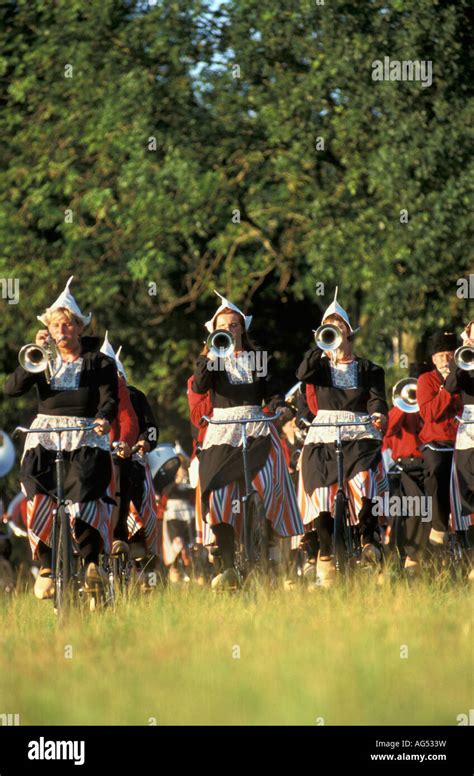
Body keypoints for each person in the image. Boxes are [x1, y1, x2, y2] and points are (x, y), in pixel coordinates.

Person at [3, 276, 117, 599]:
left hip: (84, 436)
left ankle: (92, 563)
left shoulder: (99, 362)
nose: (62, 332)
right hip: (46, 437)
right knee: (36, 491)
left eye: (67, 325)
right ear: (49, 330)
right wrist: (36, 353)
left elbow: (110, 399)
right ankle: (46, 565)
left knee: (86, 493)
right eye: (55, 326)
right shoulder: (44, 359)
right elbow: (11, 389)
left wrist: (103, 420)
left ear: (79, 327)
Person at [192, 291, 304, 590]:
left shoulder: (258, 358)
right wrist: (209, 354)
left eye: (234, 325)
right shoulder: (211, 362)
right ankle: (227, 562)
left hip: (256, 427)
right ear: (214, 331)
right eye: (223, 326)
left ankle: (268, 537)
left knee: (268, 481)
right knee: (218, 493)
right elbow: (200, 385)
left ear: (243, 329)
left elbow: (273, 392)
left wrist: (280, 406)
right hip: (222, 430)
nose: (229, 330)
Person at [296, 287, 388, 587]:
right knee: (320, 490)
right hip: (323, 432)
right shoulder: (320, 366)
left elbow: (377, 400)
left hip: (358, 430)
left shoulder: (369, 368)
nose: (336, 333)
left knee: (364, 478)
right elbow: (301, 374)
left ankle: (367, 538)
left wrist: (379, 415)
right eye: (329, 328)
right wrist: (320, 347)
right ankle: (325, 555)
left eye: (340, 328)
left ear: (349, 332)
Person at [417, 331, 461, 550]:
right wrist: (447, 390)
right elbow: (429, 414)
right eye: (441, 355)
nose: (446, 360)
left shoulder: (466, 377)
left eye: (450, 355)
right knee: (436, 472)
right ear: (434, 359)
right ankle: (439, 525)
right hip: (436, 444)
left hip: (461, 441)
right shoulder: (426, 380)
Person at [383, 363, 429, 573]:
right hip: (403, 468)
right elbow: (388, 429)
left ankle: (416, 558)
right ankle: (403, 558)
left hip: (427, 463)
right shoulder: (402, 408)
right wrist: (403, 404)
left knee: (423, 511)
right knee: (405, 512)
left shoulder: (428, 407)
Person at [444, 321, 474, 555]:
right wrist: (462, 359)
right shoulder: (463, 359)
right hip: (469, 429)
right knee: (467, 489)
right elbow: (451, 387)